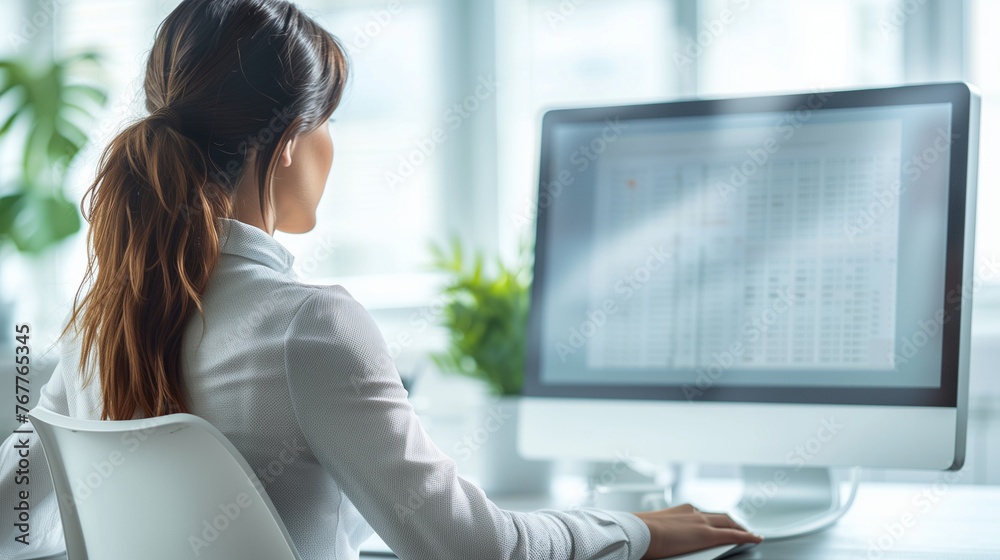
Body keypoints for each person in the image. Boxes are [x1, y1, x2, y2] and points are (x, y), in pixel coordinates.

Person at [0, 1, 763, 558]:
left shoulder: (99, 325)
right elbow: (474, 551)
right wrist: (630, 527)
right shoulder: (311, 327)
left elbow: (14, 516)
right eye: (328, 120)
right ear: (293, 143)